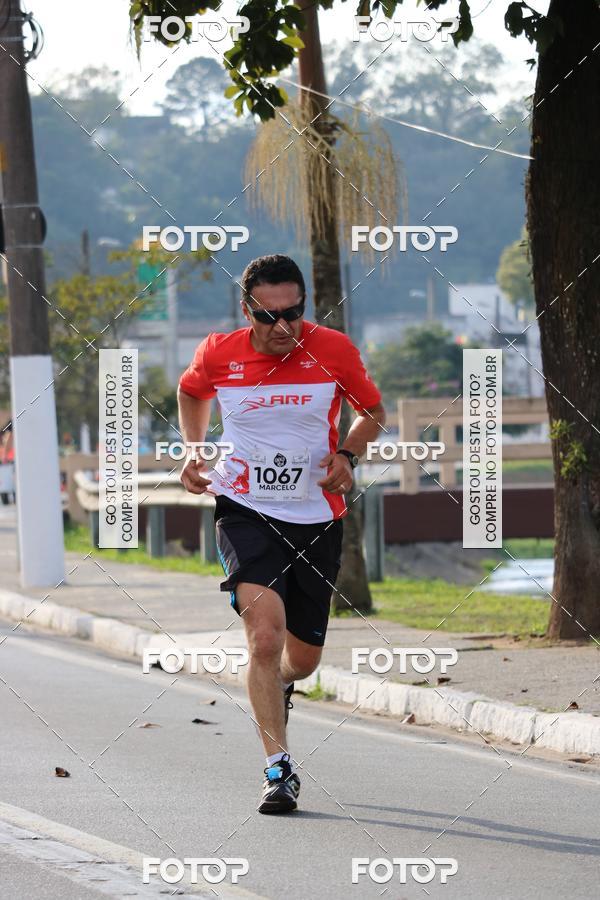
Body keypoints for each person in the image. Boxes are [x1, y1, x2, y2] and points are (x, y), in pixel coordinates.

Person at [178, 254, 385, 814]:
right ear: (247, 310)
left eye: (293, 313)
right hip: (245, 509)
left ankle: (283, 684)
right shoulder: (219, 353)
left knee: (305, 657)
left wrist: (347, 454)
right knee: (263, 639)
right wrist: (197, 453)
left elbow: (372, 411)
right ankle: (279, 769)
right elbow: (192, 391)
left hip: (318, 515)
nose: (283, 327)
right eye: (269, 316)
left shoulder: (333, 349)